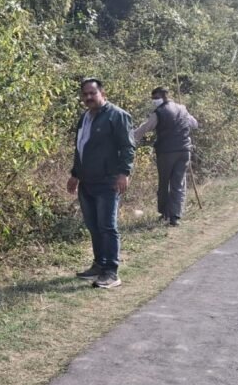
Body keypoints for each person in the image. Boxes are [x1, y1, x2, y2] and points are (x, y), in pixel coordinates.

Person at [66, 78, 135, 288]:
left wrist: (124, 173)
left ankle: (111, 272)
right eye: (85, 94)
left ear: (102, 93)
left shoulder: (118, 116)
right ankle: (98, 265)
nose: (88, 97)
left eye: (92, 93)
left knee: (107, 226)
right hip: (87, 182)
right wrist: (75, 174)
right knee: (93, 226)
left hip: (108, 182)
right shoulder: (84, 118)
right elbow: (80, 148)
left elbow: (128, 147)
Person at [131, 86, 199, 226]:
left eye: (155, 98)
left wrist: (129, 137)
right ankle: (175, 216)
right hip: (184, 150)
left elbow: (145, 128)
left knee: (164, 183)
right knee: (178, 184)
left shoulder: (159, 112)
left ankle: (164, 213)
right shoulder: (182, 109)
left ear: (162, 96)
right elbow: (195, 124)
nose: (154, 101)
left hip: (167, 152)